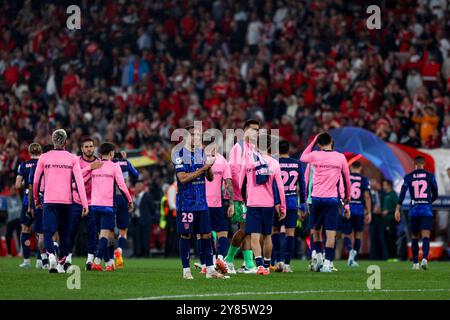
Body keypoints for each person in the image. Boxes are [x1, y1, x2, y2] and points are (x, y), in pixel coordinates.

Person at [33, 129, 88, 273]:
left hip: (49, 200)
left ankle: (51, 255)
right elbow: (80, 182)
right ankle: (61, 262)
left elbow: (36, 181)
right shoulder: (73, 158)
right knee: (64, 234)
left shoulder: (44, 157)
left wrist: (36, 199)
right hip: (66, 201)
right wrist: (84, 203)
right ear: (65, 142)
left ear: (53, 141)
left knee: (47, 231)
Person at [172, 125, 224, 279]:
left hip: (202, 203)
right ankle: (186, 271)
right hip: (186, 204)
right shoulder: (179, 154)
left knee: (207, 235)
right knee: (186, 236)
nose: (196, 137)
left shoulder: (202, 153)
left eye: (198, 135)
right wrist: (203, 169)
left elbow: (210, 178)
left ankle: (210, 270)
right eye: (193, 134)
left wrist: (208, 167)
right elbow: (182, 178)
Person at [300, 132, 351, 272]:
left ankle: (319, 257)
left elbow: (302, 157)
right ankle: (328, 263)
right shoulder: (340, 157)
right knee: (331, 233)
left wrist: (313, 142)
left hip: (316, 199)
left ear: (319, 144)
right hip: (332, 200)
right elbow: (346, 179)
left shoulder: (315, 155)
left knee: (316, 231)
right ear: (331, 141)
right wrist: (348, 197)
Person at [240, 134, 286, 275]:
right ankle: (266, 265)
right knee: (267, 235)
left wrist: (242, 200)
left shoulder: (248, 161)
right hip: (268, 204)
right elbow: (280, 188)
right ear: (270, 146)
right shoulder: (274, 163)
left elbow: (241, 182)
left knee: (254, 235)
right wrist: (282, 206)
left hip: (253, 202)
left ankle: (259, 265)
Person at [90, 142, 134, 271]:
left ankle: (109, 263)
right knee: (105, 234)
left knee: (106, 235)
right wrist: (130, 201)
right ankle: (96, 262)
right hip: (107, 205)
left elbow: (82, 178)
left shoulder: (94, 166)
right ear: (111, 153)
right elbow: (122, 185)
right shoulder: (114, 167)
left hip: (94, 205)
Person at [224, 119, 260, 274]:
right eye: (252, 129)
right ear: (244, 130)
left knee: (248, 230)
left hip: (252, 196)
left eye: (257, 130)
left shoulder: (254, 149)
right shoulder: (238, 148)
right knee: (245, 229)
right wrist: (233, 199)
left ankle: (248, 264)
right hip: (241, 196)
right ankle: (228, 259)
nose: (256, 132)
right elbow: (232, 172)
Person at [395, 156, 438, 270]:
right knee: (426, 235)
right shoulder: (430, 176)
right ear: (423, 164)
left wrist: (397, 208)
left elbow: (402, 193)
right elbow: (436, 194)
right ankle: (424, 258)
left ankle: (415, 263)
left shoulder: (409, 177)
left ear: (414, 163)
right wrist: (428, 201)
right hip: (426, 210)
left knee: (414, 236)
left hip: (414, 210)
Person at [67, 138, 103, 271]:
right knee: (71, 231)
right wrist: (89, 168)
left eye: (91, 146)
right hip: (76, 201)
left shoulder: (99, 162)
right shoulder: (76, 161)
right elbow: (72, 180)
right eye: (86, 146)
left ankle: (89, 260)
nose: (89, 149)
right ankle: (68, 258)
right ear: (81, 148)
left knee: (92, 232)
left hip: (92, 201)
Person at [272, 140, 306, 273]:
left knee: (275, 231)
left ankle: (277, 261)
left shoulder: (275, 163)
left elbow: (273, 184)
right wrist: (302, 204)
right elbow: (302, 184)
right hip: (292, 202)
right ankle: (287, 264)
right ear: (289, 150)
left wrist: (275, 201)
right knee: (290, 233)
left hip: (277, 202)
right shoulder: (297, 164)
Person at [204, 136, 233, 273]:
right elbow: (228, 184)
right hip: (215, 203)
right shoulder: (222, 160)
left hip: (203, 203)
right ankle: (219, 258)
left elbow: (228, 184)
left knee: (204, 234)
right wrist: (232, 203)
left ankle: (208, 263)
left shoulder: (198, 159)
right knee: (221, 233)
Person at [15, 143, 42, 268]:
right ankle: (40, 260)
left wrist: (26, 181)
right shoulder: (43, 164)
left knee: (25, 230)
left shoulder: (23, 165)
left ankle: (26, 261)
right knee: (40, 232)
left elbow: (17, 185)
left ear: (29, 152)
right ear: (40, 152)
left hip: (27, 201)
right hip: (41, 200)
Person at [113, 151, 139, 268]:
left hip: (110, 198)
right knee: (123, 230)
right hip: (123, 197)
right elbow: (136, 174)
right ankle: (119, 249)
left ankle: (103, 259)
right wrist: (126, 160)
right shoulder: (125, 163)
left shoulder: (109, 163)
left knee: (107, 229)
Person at [343, 161, 372, 267]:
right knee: (358, 235)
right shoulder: (364, 179)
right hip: (359, 209)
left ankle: (350, 250)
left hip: (348, 208)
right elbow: (367, 196)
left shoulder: (346, 177)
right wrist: (369, 212)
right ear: (360, 168)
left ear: (350, 168)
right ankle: (353, 258)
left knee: (346, 234)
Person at [133, 180, 156, 257]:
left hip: (146, 220)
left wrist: (149, 217)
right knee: (138, 237)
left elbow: (152, 208)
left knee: (146, 237)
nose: (135, 188)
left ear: (141, 187)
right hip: (137, 220)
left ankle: (146, 253)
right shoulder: (135, 197)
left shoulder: (147, 196)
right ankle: (138, 253)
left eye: (137, 186)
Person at [369, 178, 389, 260]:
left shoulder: (382, 193)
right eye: (373, 183)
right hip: (372, 218)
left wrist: (382, 210)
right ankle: (373, 257)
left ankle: (384, 257)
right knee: (372, 238)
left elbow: (385, 204)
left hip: (381, 218)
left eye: (376, 182)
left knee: (382, 238)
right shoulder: (369, 194)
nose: (375, 184)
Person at [382, 180, 399, 259]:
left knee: (392, 239)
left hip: (391, 220)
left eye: (385, 185)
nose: (383, 187)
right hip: (385, 220)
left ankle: (394, 257)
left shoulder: (393, 194)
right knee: (387, 239)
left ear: (389, 185)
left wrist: (388, 211)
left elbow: (397, 206)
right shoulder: (385, 195)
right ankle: (390, 257)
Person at [5, 185, 21, 257]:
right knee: (7, 235)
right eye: (12, 189)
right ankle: (9, 253)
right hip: (10, 220)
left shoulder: (19, 197)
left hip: (18, 219)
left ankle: (20, 252)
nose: (13, 191)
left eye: (14, 189)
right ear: (10, 190)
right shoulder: (7, 199)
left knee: (19, 235)